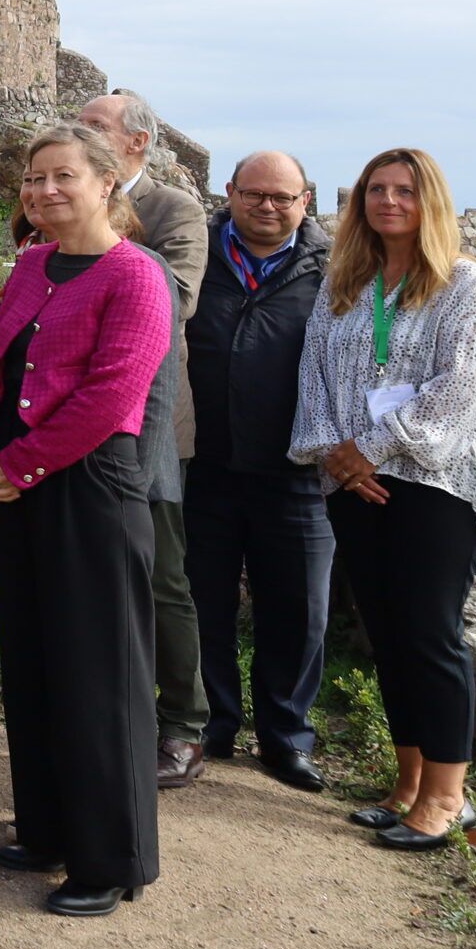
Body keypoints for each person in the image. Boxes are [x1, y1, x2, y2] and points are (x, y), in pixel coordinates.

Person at [0, 122, 171, 916]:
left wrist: (14, 464)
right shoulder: (33, 264)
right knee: (36, 666)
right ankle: (47, 826)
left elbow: (111, 396)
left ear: (108, 182)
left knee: (99, 677)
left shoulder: (136, 276)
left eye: (63, 177)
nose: (45, 191)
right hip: (21, 484)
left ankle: (111, 858)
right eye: (34, 179)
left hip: (90, 490)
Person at [291, 147, 476, 852]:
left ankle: (450, 796)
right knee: (388, 635)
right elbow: (314, 376)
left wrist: (375, 447)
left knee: (428, 633)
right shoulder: (344, 283)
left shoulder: (463, 283)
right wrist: (337, 455)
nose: (389, 201)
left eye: (405, 190)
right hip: (354, 482)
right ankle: (409, 781)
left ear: (430, 201)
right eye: (376, 190)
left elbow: (464, 383)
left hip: (436, 482)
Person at [186, 151, 332, 791]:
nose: (266, 207)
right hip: (207, 463)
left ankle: (286, 736)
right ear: (230, 192)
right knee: (201, 601)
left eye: (282, 196)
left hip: (296, 469)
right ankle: (212, 721)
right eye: (253, 194)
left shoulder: (338, 271)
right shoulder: (199, 255)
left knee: (299, 611)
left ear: (306, 199)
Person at [79, 90, 212, 788]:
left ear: (136, 142)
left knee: (160, 575)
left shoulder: (172, 210)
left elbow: (175, 300)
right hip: (73, 421)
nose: (80, 131)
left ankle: (186, 724)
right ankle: (115, 712)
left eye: (94, 125)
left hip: (151, 424)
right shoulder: (64, 200)